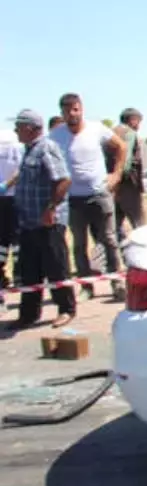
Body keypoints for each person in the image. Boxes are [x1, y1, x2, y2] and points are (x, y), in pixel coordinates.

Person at [50, 93, 126, 301]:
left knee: (109, 240)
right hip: (74, 199)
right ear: (62, 113)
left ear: (81, 109)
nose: (72, 114)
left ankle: (117, 283)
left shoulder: (97, 129)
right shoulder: (56, 135)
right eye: (67, 111)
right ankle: (86, 287)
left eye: (75, 109)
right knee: (79, 244)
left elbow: (121, 147)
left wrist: (116, 174)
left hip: (99, 194)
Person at [6, 110, 75, 330]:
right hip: (28, 222)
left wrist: (50, 209)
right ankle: (28, 314)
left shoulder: (46, 148)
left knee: (56, 267)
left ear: (32, 127)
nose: (16, 130)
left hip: (48, 222)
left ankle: (66, 309)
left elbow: (63, 180)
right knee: (29, 270)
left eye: (20, 125)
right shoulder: (28, 151)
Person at [112, 107, 147, 244]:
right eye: (139, 122)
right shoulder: (129, 133)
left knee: (112, 229)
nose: (139, 126)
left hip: (111, 187)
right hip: (127, 186)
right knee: (140, 226)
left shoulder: (112, 132)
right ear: (133, 120)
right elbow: (125, 162)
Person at [0, 126, 22, 290]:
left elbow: (21, 170)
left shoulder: (11, 141)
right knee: (13, 240)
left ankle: (18, 275)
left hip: (14, 197)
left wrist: (6, 185)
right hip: (13, 197)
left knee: (13, 240)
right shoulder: (15, 141)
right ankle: (18, 275)